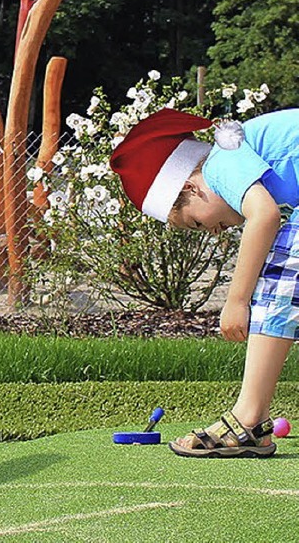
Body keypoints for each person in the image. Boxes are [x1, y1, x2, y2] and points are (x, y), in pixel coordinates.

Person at [110, 107, 299, 458]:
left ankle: (249, 419)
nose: (211, 232)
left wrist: (237, 300)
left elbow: (265, 216)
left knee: (282, 278)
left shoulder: (218, 164)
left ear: (190, 187)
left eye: (196, 223)